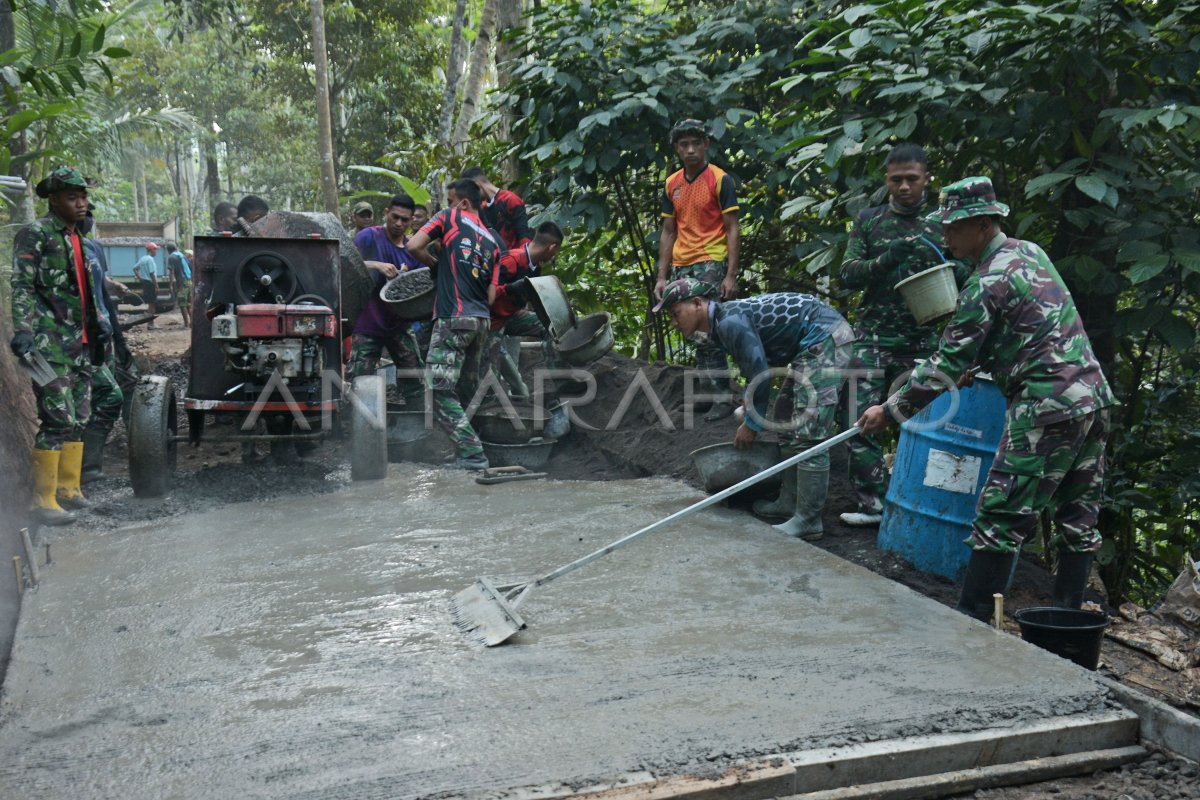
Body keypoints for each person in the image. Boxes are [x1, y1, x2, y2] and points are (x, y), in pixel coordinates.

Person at [856, 177, 1117, 621]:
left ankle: (972, 624)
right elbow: (1030, 327)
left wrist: (892, 409)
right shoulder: (1030, 252)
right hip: (1092, 397)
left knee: (999, 516)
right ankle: (1070, 625)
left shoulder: (985, 283)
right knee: (1078, 516)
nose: (946, 237)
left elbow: (946, 364)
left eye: (952, 229)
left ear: (981, 225)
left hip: (1044, 406)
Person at [656, 278, 855, 540]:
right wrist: (751, 407)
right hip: (807, 348)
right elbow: (757, 371)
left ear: (696, 304)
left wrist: (751, 423)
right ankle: (789, 502)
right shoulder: (722, 325)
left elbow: (760, 374)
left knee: (809, 433)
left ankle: (809, 520)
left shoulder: (729, 322)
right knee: (784, 421)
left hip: (825, 338)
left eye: (675, 314)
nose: (673, 322)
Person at [836, 143, 970, 528]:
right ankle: (873, 506)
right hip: (873, 337)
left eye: (912, 179)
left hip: (927, 340)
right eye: (897, 180)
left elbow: (972, 270)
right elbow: (848, 274)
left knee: (930, 425)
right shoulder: (870, 220)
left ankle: (923, 504)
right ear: (887, 181)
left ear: (927, 178)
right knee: (856, 420)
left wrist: (953, 268)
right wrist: (885, 259)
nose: (905, 187)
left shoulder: (943, 222)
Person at [9, 166, 109, 525]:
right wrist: (22, 329)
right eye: (72, 197)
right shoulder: (35, 234)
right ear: (54, 200)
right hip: (45, 344)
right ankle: (43, 499)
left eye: (83, 196)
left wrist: (98, 333)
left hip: (78, 342)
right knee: (57, 417)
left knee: (80, 415)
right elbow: (22, 285)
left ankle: (69, 488)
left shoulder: (76, 238)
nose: (81, 203)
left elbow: (88, 291)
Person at [407, 178, 502, 470]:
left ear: (462, 203)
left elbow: (413, 245)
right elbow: (492, 295)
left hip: (453, 317)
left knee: (437, 389)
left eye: (450, 200)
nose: (447, 205)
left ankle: (473, 453)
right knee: (464, 389)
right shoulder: (494, 241)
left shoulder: (450, 218)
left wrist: (434, 264)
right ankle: (469, 450)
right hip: (481, 322)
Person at [654, 118, 741, 421]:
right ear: (676, 148)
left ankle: (721, 397)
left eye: (695, 143)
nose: (690, 150)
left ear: (706, 144)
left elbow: (732, 228)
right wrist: (662, 276)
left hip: (710, 261)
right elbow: (668, 231)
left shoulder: (720, 179)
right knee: (692, 330)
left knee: (707, 326)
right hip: (681, 263)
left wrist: (730, 274)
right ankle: (707, 394)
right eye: (683, 145)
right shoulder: (671, 183)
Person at [350, 193, 425, 406]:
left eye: (405, 220)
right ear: (386, 213)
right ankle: (358, 431)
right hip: (368, 322)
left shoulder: (413, 250)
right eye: (395, 217)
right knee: (360, 381)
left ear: (412, 221)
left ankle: (417, 427)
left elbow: (419, 286)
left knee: (414, 379)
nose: (399, 223)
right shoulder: (368, 236)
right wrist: (376, 265)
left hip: (400, 325)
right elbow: (345, 264)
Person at [79, 205, 130, 484]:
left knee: (105, 397)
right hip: (73, 341)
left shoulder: (94, 247)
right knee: (99, 398)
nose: (86, 217)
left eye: (89, 212)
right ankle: (82, 469)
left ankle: (89, 465)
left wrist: (118, 338)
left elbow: (99, 287)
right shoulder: (50, 244)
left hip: (102, 335)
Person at [487, 221, 566, 398]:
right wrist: (507, 289)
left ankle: (560, 380)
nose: (555, 255)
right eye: (556, 251)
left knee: (549, 326)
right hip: (491, 323)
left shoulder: (535, 266)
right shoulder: (512, 260)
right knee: (491, 379)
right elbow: (486, 294)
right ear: (552, 247)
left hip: (510, 317)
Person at [461, 166, 529, 252]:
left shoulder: (510, 200)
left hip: (515, 259)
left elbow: (524, 236)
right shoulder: (483, 209)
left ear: (477, 185)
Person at [132, 242, 160, 329]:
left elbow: (134, 268)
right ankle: (151, 324)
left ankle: (150, 323)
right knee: (152, 304)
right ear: (151, 250)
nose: (156, 251)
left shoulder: (143, 258)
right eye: (155, 249)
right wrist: (156, 285)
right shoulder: (150, 259)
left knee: (150, 304)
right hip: (150, 283)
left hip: (145, 283)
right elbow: (152, 273)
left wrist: (140, 278)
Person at [165, 242, 192, 328]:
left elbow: (171, 272)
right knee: (189, 304)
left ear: (168, 250)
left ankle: (186, 324)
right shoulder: (181, 255)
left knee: (182, 304)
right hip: (189, 281)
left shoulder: (171, 257)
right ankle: (192, 323)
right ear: (176, 248)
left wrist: (171, 285)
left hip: (182, 283)